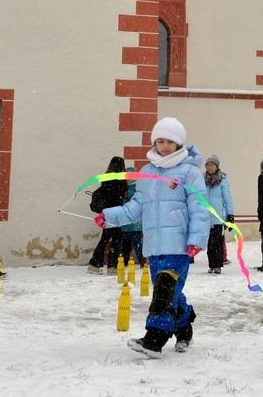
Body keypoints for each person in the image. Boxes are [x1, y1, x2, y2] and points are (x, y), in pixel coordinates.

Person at [99, 117, 208, 357]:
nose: (165, 145)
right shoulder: (146, 173)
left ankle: (154, 339)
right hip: (154, 247)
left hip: (179, 246)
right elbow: (135, 207)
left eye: (170, 141)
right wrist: (108, 216)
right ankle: (185, 328)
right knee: (170, 292)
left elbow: (200, 208)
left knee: (164, 290)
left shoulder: (189, 173)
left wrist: (197, 239)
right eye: (160, 140)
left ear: (179, 143)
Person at [87, 156, 129, 273]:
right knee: (117, 239)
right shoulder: (120, 178)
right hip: (116, 212)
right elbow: (121, 194)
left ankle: (94, 264)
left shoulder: (105, 177)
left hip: (105, 212)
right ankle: (112, 266)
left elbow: (104, 192)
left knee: (105, 239)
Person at [203, 154, 234, 274]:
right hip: (206, 217)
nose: (209, 167)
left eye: (212, 165)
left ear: (217, 166)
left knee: (217, 242)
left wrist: (230, 215)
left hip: (218, 217)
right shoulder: (202, 180)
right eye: (207, 165)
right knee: (209, 243)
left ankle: (217, 266)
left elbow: (227, 199)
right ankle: (212, 265)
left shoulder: (222, 181)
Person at [120, 169, 145, 267]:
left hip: (129, 224)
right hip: (134, 225)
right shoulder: (138, 189)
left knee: (129, 245)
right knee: (135, 245)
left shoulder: (131, 190)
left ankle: (126, 262)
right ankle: (141, 262)